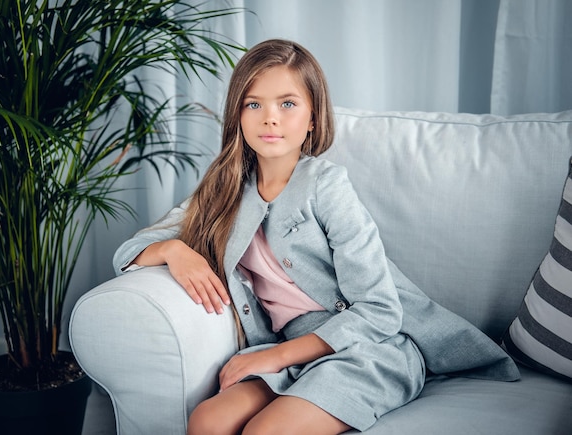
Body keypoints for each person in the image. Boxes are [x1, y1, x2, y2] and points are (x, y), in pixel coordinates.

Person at [113, 38, 427, 434]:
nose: (270, 118)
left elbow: (380, 310)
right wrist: (175, 250)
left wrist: (275, 357)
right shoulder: (222, 190)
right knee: (207, 420)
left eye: (288, 103)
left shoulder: (327, 186)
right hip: (288, 351)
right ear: (238, 115)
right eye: (254, 103)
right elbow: (127, 252)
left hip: (363, 349)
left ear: (313, 117)